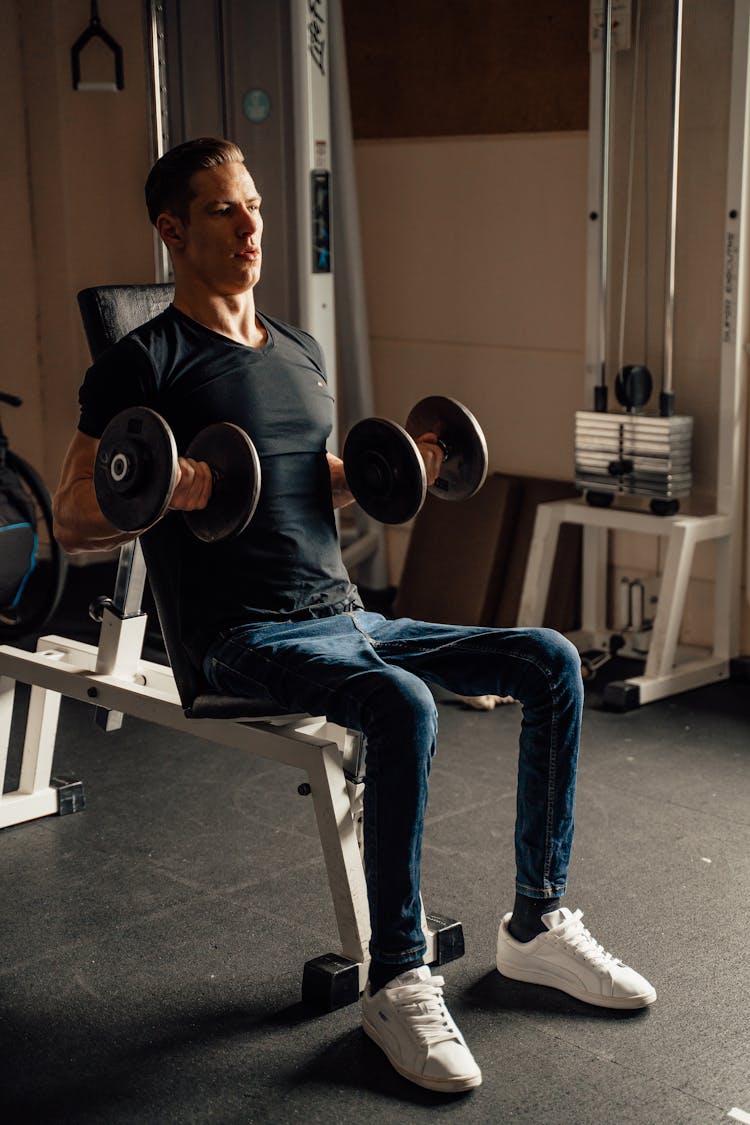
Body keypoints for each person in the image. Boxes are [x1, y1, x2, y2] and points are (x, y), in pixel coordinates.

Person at [53, 138, 656, 1096]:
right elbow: (76, 509)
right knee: (402, 703)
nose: (253, 226)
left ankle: (535, 927)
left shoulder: (300, 350)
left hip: (346, 614)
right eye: (223, 211)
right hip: (244, 640)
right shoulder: (143, 360)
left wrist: (368, 474)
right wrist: (175, 485)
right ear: (172, 230)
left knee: (548, 658)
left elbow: (301, 489)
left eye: (254, 205)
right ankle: (399, 980)